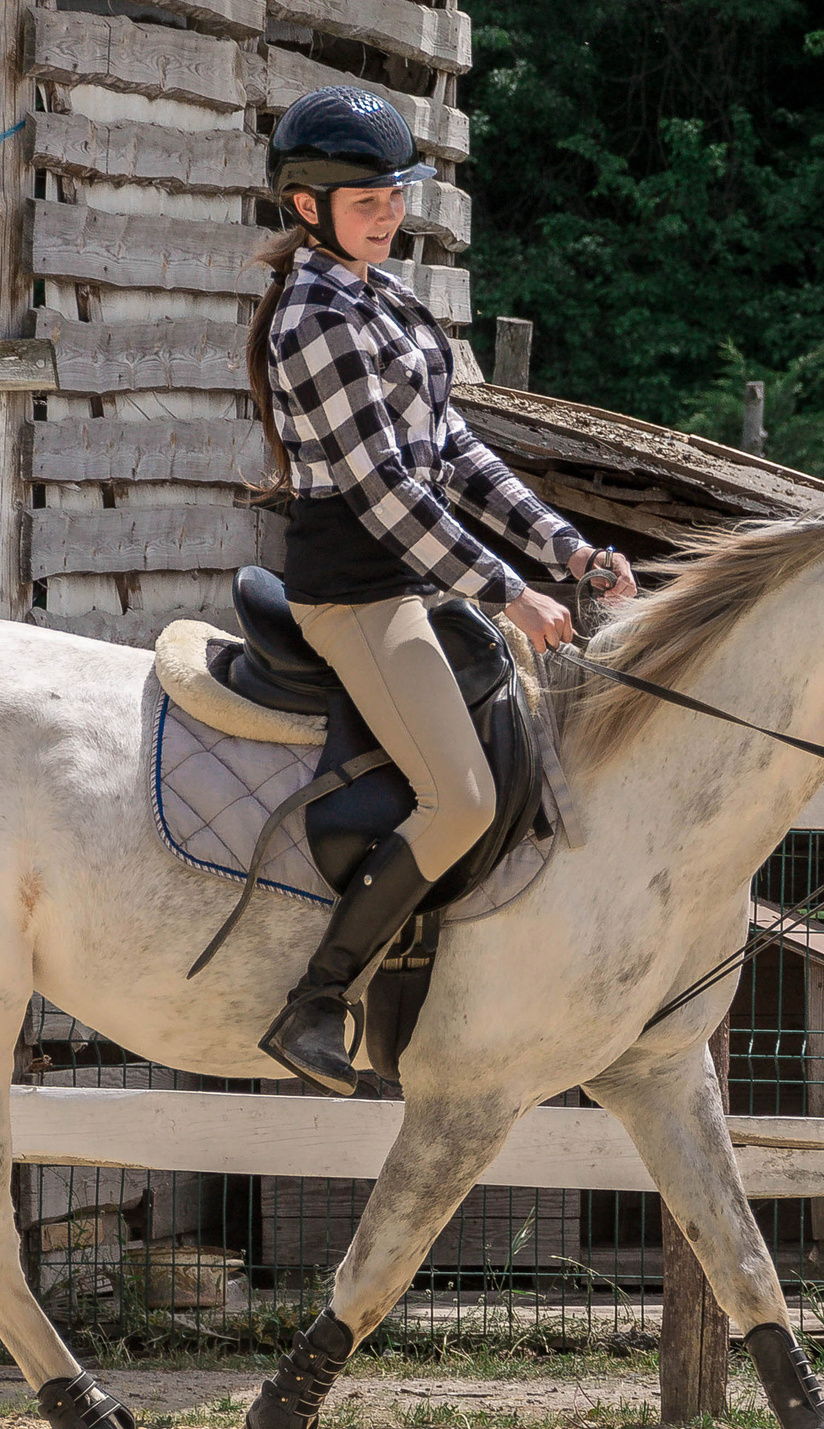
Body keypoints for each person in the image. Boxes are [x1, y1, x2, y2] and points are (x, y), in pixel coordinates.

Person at [248, 86, 633, 1094]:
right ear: (307, 207)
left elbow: (457, 453)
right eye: (366, 200)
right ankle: (317, 1000)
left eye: (396, 195)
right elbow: (385, 493)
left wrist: (567, 549)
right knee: (460, 798)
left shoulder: (388, 301)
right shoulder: (313, 319)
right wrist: (511, 594)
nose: (390, 213)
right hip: (359, 595)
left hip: (416, 584)